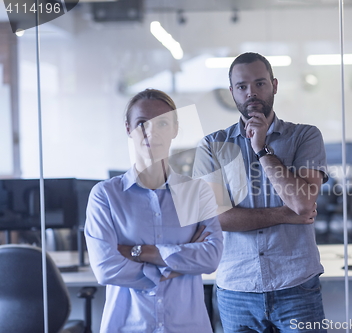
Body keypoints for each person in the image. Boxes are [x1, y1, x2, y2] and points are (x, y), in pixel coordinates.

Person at [193, 53, 329, 332]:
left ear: (274, 85)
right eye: (242, 86)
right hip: (236, 290)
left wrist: (262, 149)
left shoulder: (305, 136)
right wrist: (284, 214)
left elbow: (303, 205)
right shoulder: (211, 145)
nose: (251, 92)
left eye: (260, 83)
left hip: (296, 285)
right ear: (232, 92)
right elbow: (216, 218)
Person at [85, 88, 223, 333]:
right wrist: (178, 263)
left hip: (188, 326)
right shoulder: (106, 195)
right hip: (129, 326)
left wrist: (140, 252)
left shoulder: (196, 192)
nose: (151, 132)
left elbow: (210, 257)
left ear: (175, 129)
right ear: (128, 128)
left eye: (162, 123)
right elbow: (106, 269)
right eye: (141, 123)